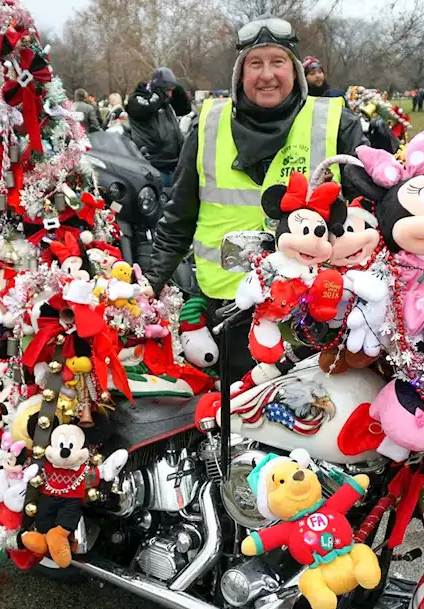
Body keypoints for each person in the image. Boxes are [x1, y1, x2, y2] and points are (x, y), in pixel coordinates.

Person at [143, 18, 367, 378]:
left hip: (314, 313)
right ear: (239, 75)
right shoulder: (208, 126)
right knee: (241, 417)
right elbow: (177, 220)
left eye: (277, 62)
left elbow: (367, 215)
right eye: (255, 63)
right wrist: (145, 291)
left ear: (294, 71)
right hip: (230, 311)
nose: (267, 75)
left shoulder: (336, 124)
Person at [126, 67, 191, 183]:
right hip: (154, 165)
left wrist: (176, 88)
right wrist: (158, 94)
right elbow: (144, 108)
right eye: (168, 90)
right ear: (159, 89)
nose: (170, 95)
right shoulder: (136, 100)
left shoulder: (164, 101)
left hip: (174, 163)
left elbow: (185, 109)